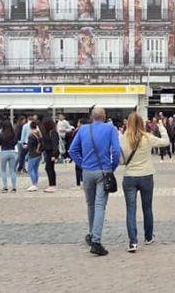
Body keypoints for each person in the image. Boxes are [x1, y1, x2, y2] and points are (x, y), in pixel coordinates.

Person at [69, 107, 122, 256]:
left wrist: (82, 164)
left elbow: (72, 150)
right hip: (103, 171)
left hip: (87, 172)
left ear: (91, 117)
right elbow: (116, 151)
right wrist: (112, 167)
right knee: (100, 206)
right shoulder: (110, 129)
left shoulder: (83, 129)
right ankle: (96, 241)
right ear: (104, 116)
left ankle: (92, 234)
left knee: (90, 205)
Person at [120, 113, 169, 251]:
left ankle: (133, 242)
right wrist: (161, 127)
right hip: (146, 175)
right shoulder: (147, 137)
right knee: (147, 208)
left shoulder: (123, 138)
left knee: (131, 209)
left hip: (129, 176)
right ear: (142, 123)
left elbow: (121, 160)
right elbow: (166, 142)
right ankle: (148, 237)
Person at [0, 120, 18, 193]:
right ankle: (14, 187)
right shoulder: (14, 134)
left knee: (3, 170)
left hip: (4, 152)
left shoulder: (1, 134)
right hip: (12, 152)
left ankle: (5, 187)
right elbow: (15, 142)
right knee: (12, 170)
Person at [40, 118, 60, 193]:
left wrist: (54, 155)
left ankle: (52, 185)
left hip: (51, 153)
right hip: (48, 152)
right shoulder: (47, 132)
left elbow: (55, 144)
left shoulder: (53, 133)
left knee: (49, 168)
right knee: (49, 168)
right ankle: (51, 184)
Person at [25, 121, 42, 191]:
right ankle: (35, 184)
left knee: (30, 170)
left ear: (30, 127)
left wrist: (26, 146)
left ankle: (34, 184)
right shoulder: (38, 133)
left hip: (32, 154)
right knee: (35, 169)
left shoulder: (31, 135)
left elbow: (30, 145)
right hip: (39, 154)